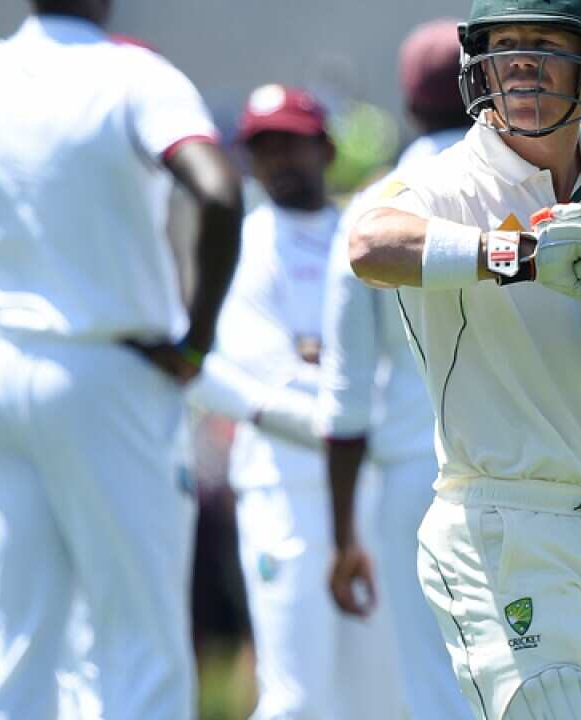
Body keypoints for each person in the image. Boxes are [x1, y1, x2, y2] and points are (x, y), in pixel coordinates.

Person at [333, 0, 581, 717]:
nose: (522, 61)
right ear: (480, 65)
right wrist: (521, 255)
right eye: (505, 45)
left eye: (544, 42)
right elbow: (370, 245)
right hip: (498, 522)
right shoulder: (451, 182)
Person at [0, 0, 243, 717]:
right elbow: (219, 191)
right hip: (106, 373)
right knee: (141, 636)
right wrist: (197, 339)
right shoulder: (133, 75)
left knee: (23, 636)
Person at [213, 84, 403, 719]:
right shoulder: (241, 249)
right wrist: (364, 413)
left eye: (291, 145)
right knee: (298, 697)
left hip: (371, 493)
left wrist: (334, 375)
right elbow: (271, 382)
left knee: (380, 697)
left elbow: (392, 361)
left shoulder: (362, 234)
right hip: (284, 497)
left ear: (324, 149)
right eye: (263, 149)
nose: (278, 162)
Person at [317, 19, 473, 720]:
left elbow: (346, 396)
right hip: (533, 468)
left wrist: (344, 533)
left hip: (418, 477)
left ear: (409, 108)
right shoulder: (532, 190)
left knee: (434, 683)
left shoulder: (372, 209)